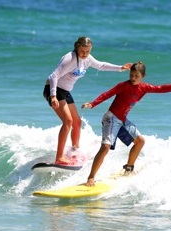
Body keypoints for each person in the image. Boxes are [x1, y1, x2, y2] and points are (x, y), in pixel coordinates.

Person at [81, 62, 171, 186]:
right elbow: (107, 94)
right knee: (105, 147)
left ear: (143, 76)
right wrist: (93, 103)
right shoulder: (123, 85)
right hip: (111, 118)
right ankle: (91, 177)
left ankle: (128, 169)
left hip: (122, 120)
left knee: (140, 141)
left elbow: (161, 89)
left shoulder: (144, 88)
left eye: (136, 76)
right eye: (131, 75)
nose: (133, 78)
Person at [43, 36, 132, 165]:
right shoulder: (70, 59)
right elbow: (53, 76)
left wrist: (120, 68)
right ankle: (59, 157)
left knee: (77, 123)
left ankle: (75, 150)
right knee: (68, 121)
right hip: (54, 89)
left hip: (65, 91)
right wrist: (53, 96)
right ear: (76, 48)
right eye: (82, 51)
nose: (85, 54)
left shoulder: (87, 59)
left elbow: (101, 65)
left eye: (88, 51)